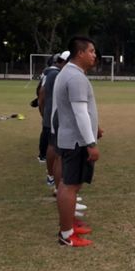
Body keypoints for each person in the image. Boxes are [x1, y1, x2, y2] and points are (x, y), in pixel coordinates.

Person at [54, 36, 103, 247]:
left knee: (71, 185)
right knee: (70, 186)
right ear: (80, 53)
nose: (94, 55)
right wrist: (90, 143)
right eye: (91, 51)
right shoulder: (75, 78)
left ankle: (70, 224)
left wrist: (95, 127)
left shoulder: (69, 73)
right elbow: (80, 113)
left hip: (71, 138)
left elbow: (81, 112)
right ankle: (66, 235)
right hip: (76, 142)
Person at [39, 51, 69, 190]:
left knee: (53, 145)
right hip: (54, 112)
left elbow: (40, 92)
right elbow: (42, 94)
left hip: (50, 112)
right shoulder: (55, 74)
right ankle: (53, 178)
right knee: (56, 149)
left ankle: (52, 176)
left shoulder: (49, 72)